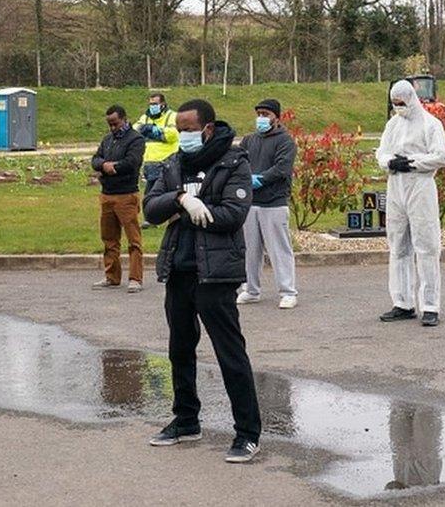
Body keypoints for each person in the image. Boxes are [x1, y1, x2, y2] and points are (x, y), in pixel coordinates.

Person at [143, 99, 262, 463]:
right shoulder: (174, 163)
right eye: (180, 130)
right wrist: (181, 199)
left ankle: (247, 433)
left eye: (189, 130)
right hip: (180, 269)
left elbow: (233, 214)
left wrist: (190, 209)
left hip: (216, 273)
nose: (184, 136)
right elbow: (150, 206)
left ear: (207, 128)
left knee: (230, 353)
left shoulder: (233, 162)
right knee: (180, 349)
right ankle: (185, 420)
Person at [376, 80, 445, 327]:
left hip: (420, 186)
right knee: (398, 245)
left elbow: (441, 156)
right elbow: (381, 152)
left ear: (411, 99)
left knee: (426, 246)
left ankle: (430, 305)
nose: (399, 107)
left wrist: (413, 162)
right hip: (396, 186)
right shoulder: (393, 125)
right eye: (395, 104)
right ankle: (403, 302)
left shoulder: (431, 124)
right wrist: (389, 163)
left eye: (402, 103)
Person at [236, 99, 298, 309]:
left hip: (274, 202)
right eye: (259, 114)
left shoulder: (285, 141)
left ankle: (288, 291)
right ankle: (251, 289)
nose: (261, 118)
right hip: (251, 203)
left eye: (266, 114)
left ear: (276, 118)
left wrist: (259, 179)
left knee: (279, 249)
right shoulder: (249, 140)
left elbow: (281, 168)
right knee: (249, 250)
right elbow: (238, 161)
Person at [91, 105, 145, 293]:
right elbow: (95, 159)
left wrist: (115, 167)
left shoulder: (136, 139)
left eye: (115, 123)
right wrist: (104, 165)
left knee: (133, 239)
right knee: (109, 238)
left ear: (124, 119)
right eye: (109, 124)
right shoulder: (108, 140)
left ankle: (135, 278)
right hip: (107, 195)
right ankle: (112, 276)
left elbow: (132, 162)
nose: (112, 128)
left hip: (126, 195)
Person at [133, 93, 179, 228]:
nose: (152, 106)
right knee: (151, 192)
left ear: (163, 104)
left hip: (166, 161)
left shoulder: (172, 116)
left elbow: (173, 134)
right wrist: (144, 129)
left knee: (164, 192)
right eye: (151, 104)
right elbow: (135, 130)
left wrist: (154, 131)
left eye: (155, 104)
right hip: (150, 162)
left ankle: (169, 217)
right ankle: (152, 219)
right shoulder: (145, 117)